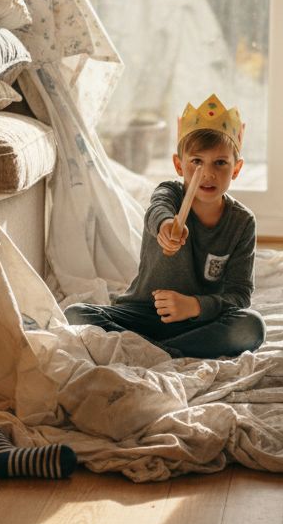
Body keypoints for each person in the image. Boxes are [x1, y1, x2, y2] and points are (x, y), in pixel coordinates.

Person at [65, 94, 265, 359]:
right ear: (178, 165)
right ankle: (172, 351)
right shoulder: (169, 193)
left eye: (220, 163)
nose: (207, 174)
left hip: (199, 319)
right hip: (144, 311)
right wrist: (167, 226)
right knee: (74, 314)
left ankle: (155, 350)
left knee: (251, 327)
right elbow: (158, 210)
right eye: (196, 162)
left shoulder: (242, 222)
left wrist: (194, 306)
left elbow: (239, 296)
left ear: (236, 169)